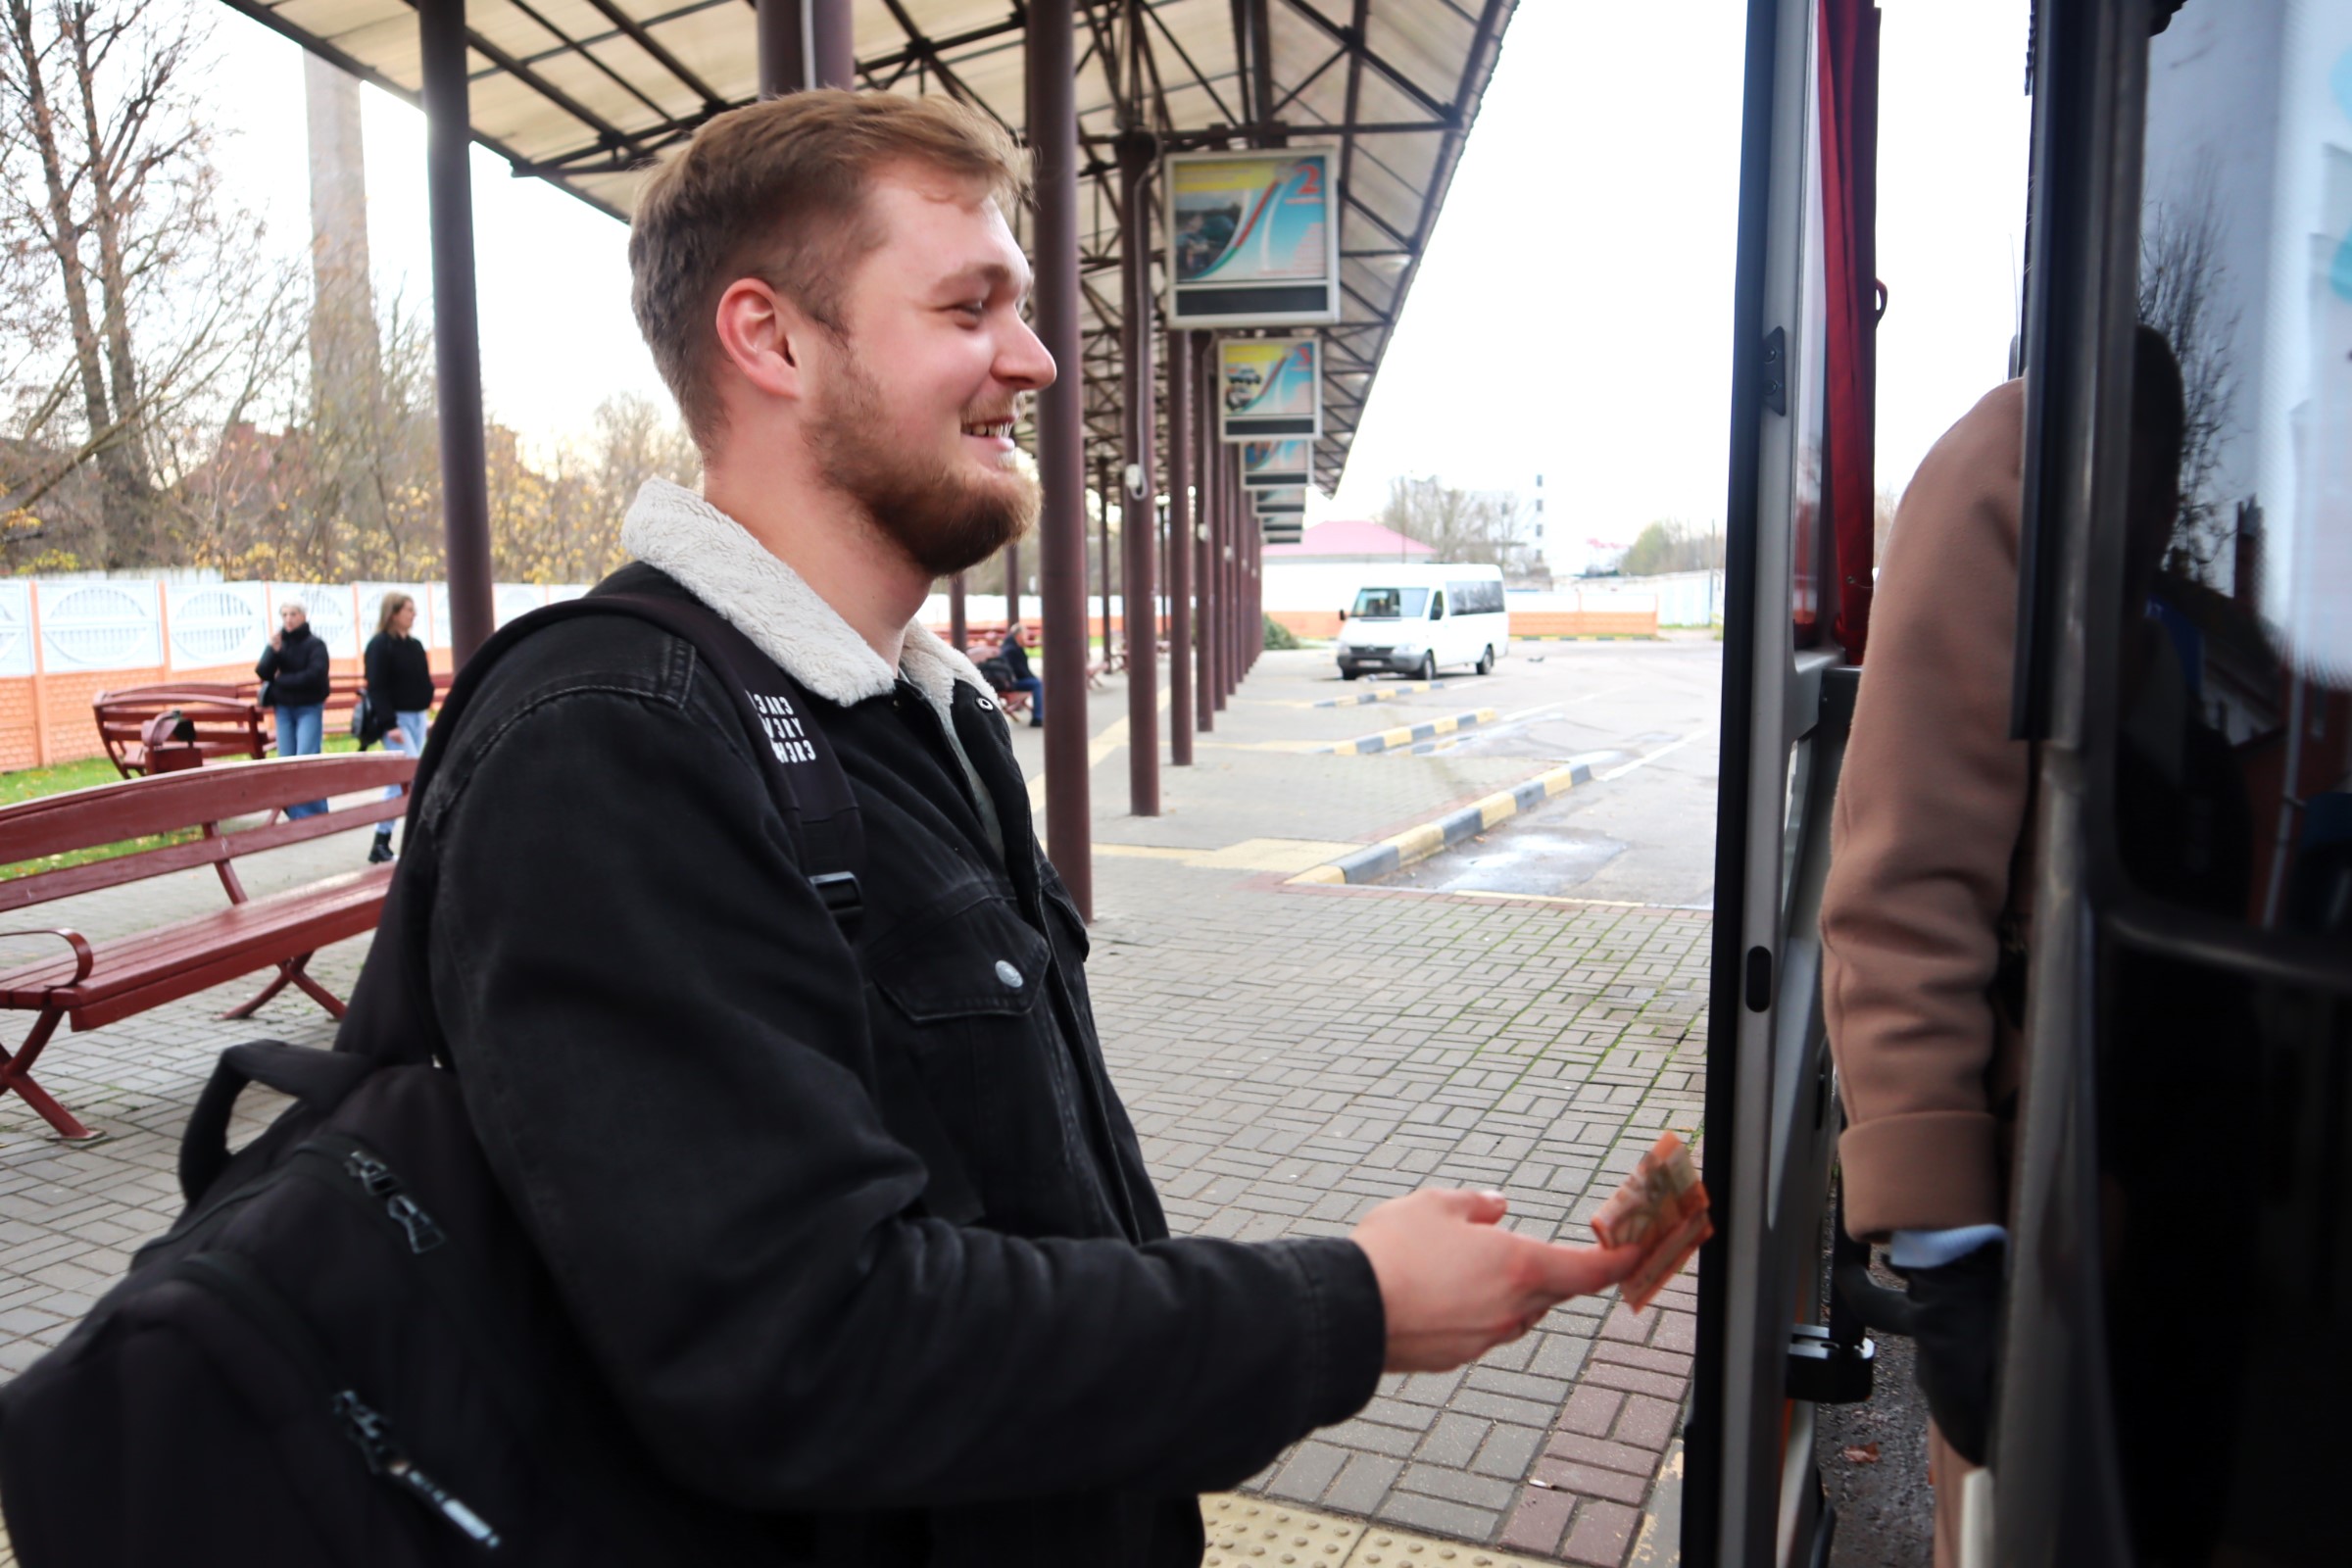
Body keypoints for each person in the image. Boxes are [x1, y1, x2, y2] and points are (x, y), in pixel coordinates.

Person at [333, 90, 1639, 1566]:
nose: (1035, 360)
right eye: (971, 307)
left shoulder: (922, 718)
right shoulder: (612, 747)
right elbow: (801, 1346)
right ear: (770, 340)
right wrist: (1349, 1304)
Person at [1819, 326, 2188, 1567]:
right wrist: (1944, 1254)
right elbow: (1903, 880)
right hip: (2058, 1218)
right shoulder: (2012, 462)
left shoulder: (2184, 597)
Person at [361, 592, 434, 864]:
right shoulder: (380, 645)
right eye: (408, 610)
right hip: (396, 721)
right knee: (406, 778)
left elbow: (421, 682)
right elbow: (376, 687)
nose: (413, 615)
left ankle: (393, 842)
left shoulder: (414, 645)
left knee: (415, 777)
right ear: (393, 613)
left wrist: (424, 713)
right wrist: (390, 724)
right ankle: (382, 842)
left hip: (417, 718)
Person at [256, 600, 331, 819]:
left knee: (306, 759)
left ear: (303, 616)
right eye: (285, 614)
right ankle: (296, 814)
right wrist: (272, 650)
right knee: (286, 761)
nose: (288, 619)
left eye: (293, 614)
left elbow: (315, 675)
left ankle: (314, 814)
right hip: (284, 710)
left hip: (308, 708)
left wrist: (281, 681)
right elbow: (263, 672)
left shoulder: (315, 645)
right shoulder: (280, 643)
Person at [997, 616, 1044, 726]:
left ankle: (1039, 714)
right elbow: (1020, 672)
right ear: (1019, 635)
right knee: (1038, 684)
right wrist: (1034, 678)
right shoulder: (1012, 650)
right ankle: (1038, 718)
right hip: (1011, 683)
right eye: (1025, 635)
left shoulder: (1011, 646)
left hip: (1010, 681)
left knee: (1038, 682)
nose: (1026, 637)